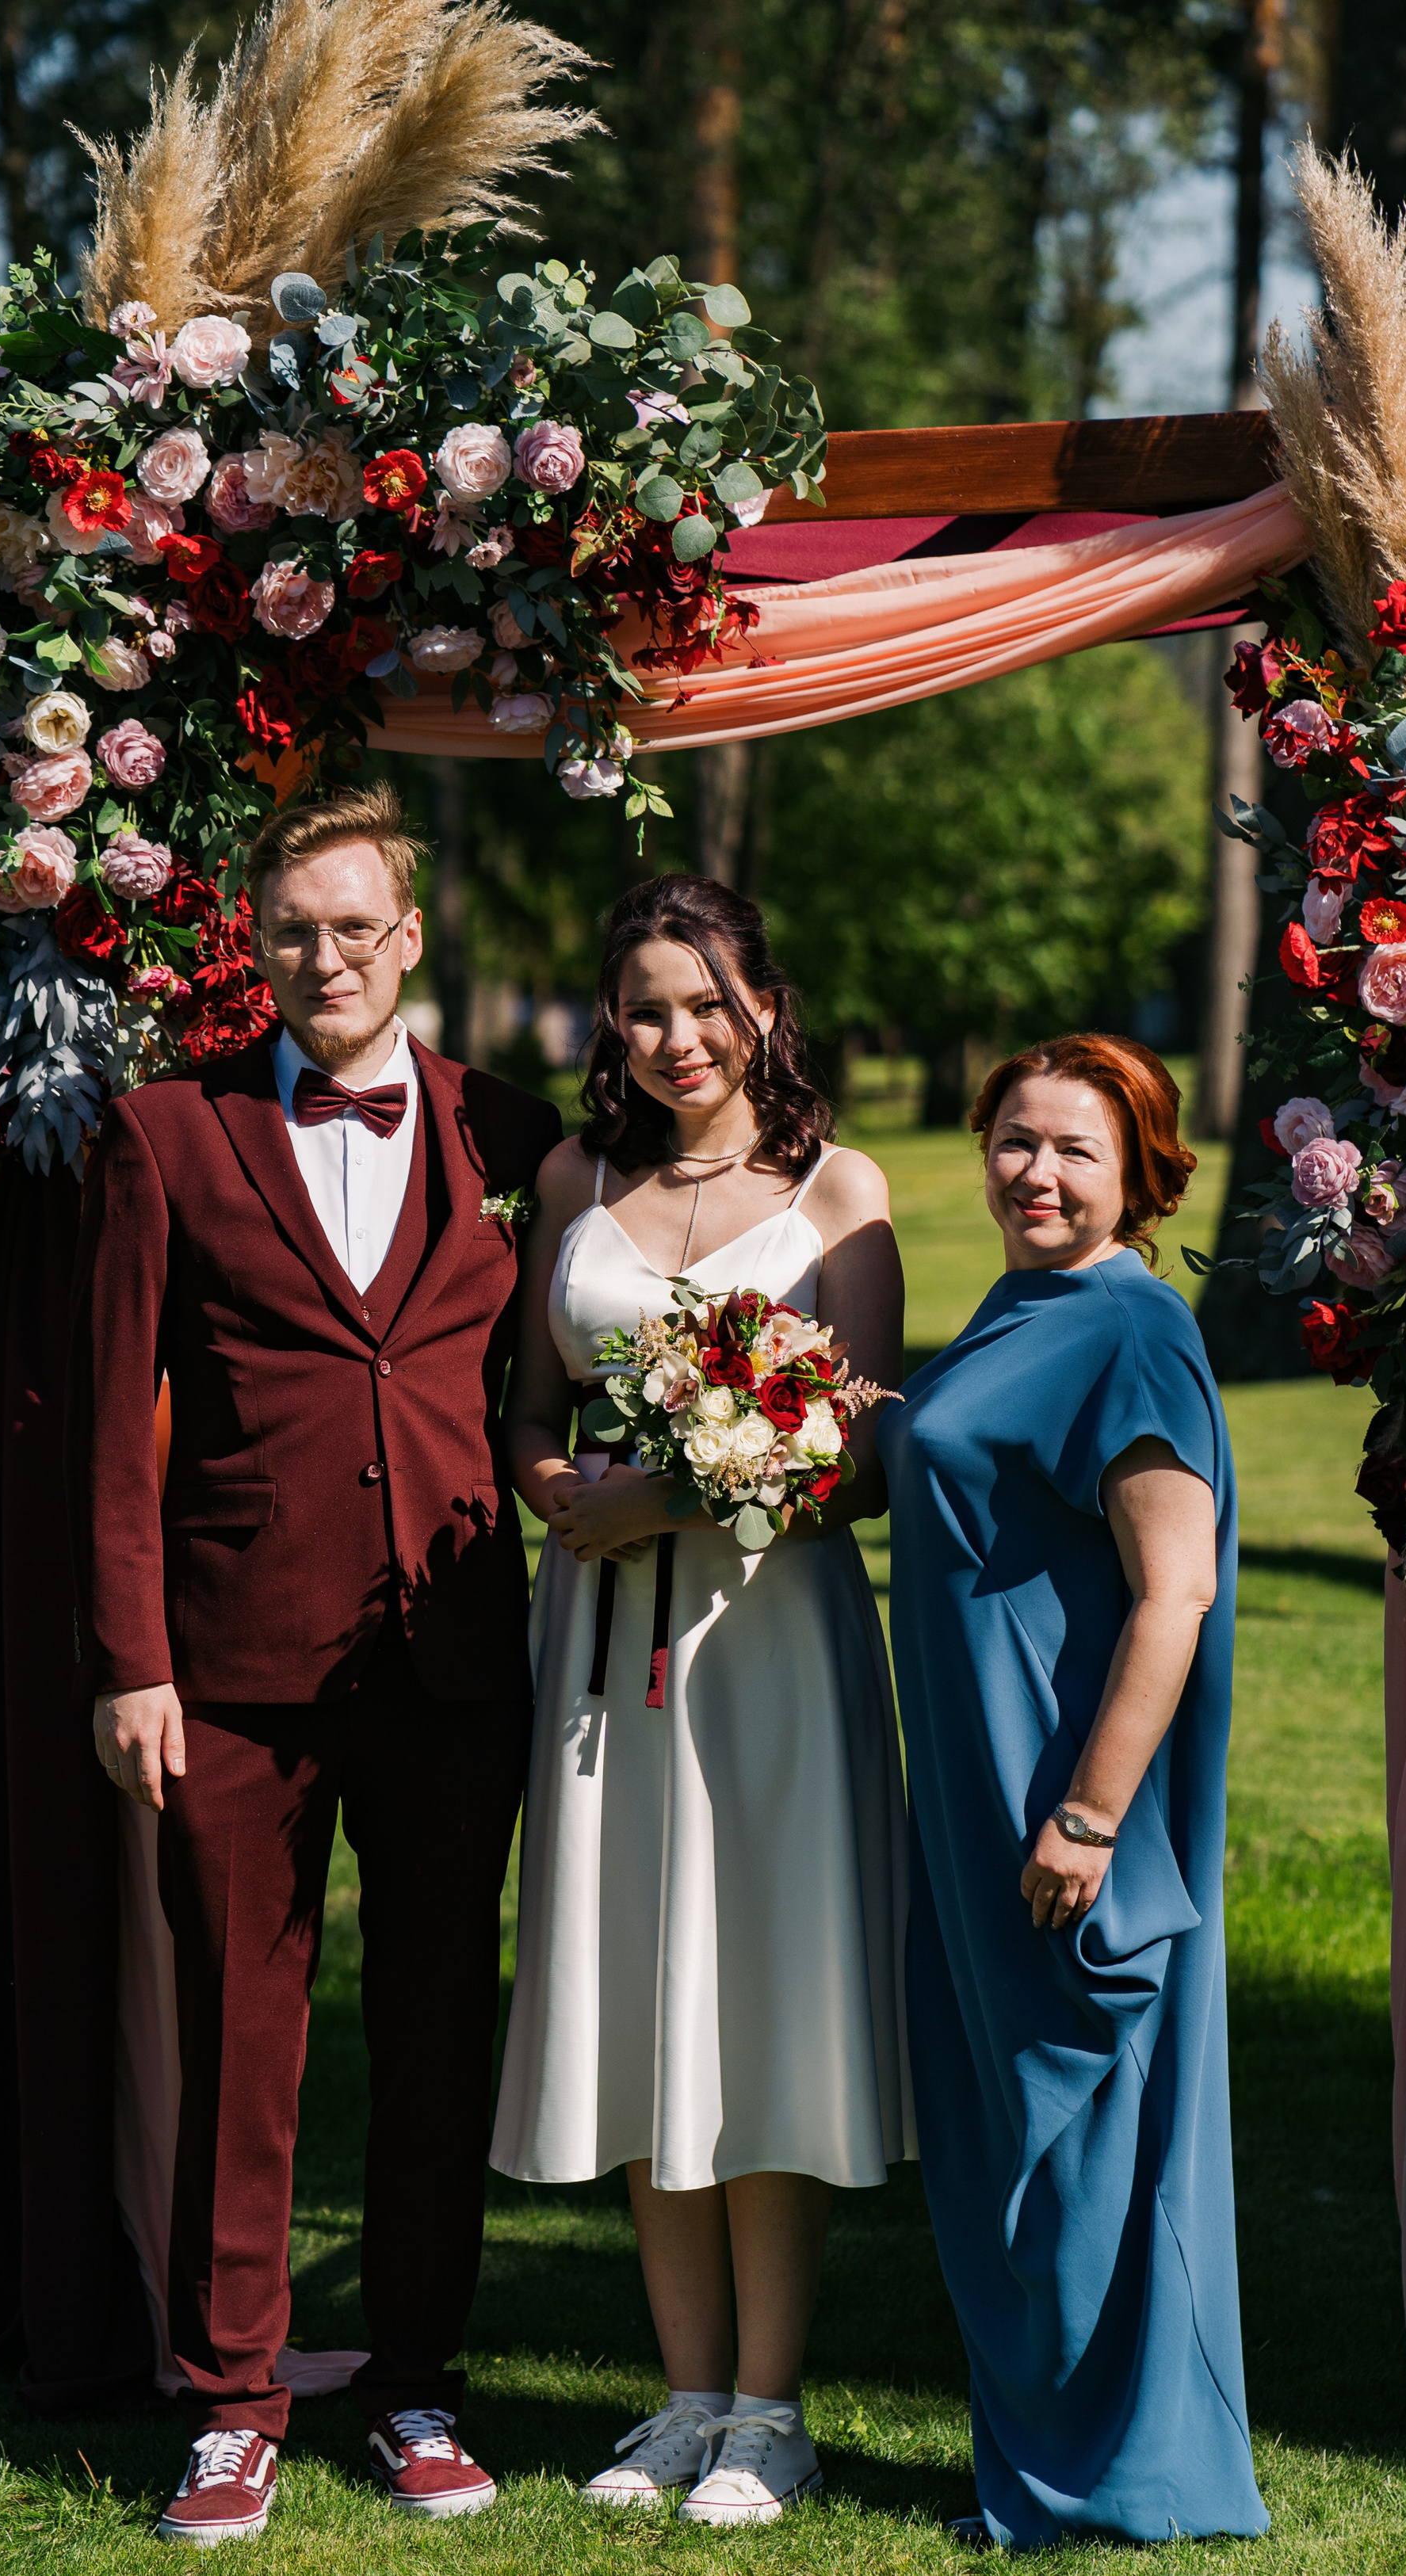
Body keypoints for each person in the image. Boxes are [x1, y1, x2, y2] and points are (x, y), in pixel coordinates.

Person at [67, 783, 560, 2547]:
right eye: (294, 929)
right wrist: (131, 1656)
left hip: (450, 1661)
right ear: (255, 945)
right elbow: (117, 1425)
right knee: (238, 2040)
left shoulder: (511, 1129)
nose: (326, 956)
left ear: (410, 939)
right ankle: (229, 2399)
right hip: (231, 1670)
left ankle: (419, 2383)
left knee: (436, 2035)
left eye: (357, 926)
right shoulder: (165, 1134)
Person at [490, 874, 913, 2527]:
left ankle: (771, 2410)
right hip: (599, 1647)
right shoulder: (569, 1181)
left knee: (756, 1997)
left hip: (770, 1651)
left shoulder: (838, 1193)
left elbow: (863, 1455)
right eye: (646, 1007)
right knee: (632, 1992)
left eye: (705, 1004)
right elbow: (525, 1403)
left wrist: (681, 1492)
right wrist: (556, 1491)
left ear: (763, 1011)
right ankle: (676, 2399)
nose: (678, 1036)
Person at [877, 1035, 1269, 2548]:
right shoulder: (1013, 1307)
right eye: (1014, 1142)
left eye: (1075, 1152)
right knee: (1002, 2129)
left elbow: (1174, 1593)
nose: (1036, 1174)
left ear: (1141, 1175)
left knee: (1098, 2120)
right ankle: (1043, 2453)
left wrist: (1093, 1816)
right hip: (975, 1772)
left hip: (1067, 1787)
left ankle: (1140, 2468)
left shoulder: (1135, 1329)